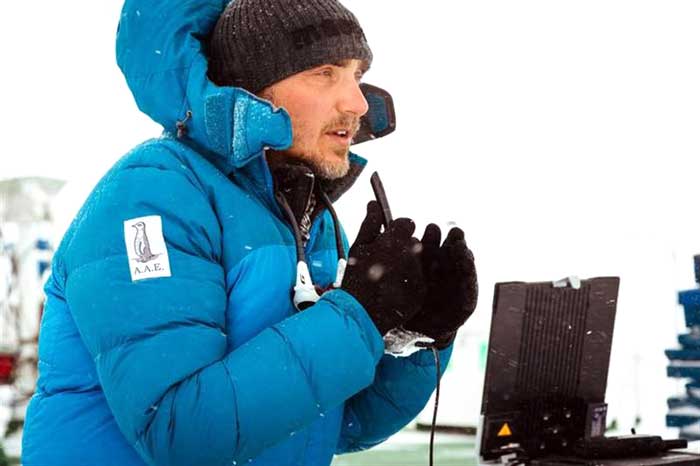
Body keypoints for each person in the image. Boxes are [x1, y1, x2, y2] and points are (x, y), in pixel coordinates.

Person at [21, 0, 478, 465]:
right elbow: (180, 430)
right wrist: (358, 313)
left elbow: (336, 420)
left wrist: (416, 336)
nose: (357, 102)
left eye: (357, 75)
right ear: (254, 89)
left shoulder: (307, 218)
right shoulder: (152, 197)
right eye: (325, 71)